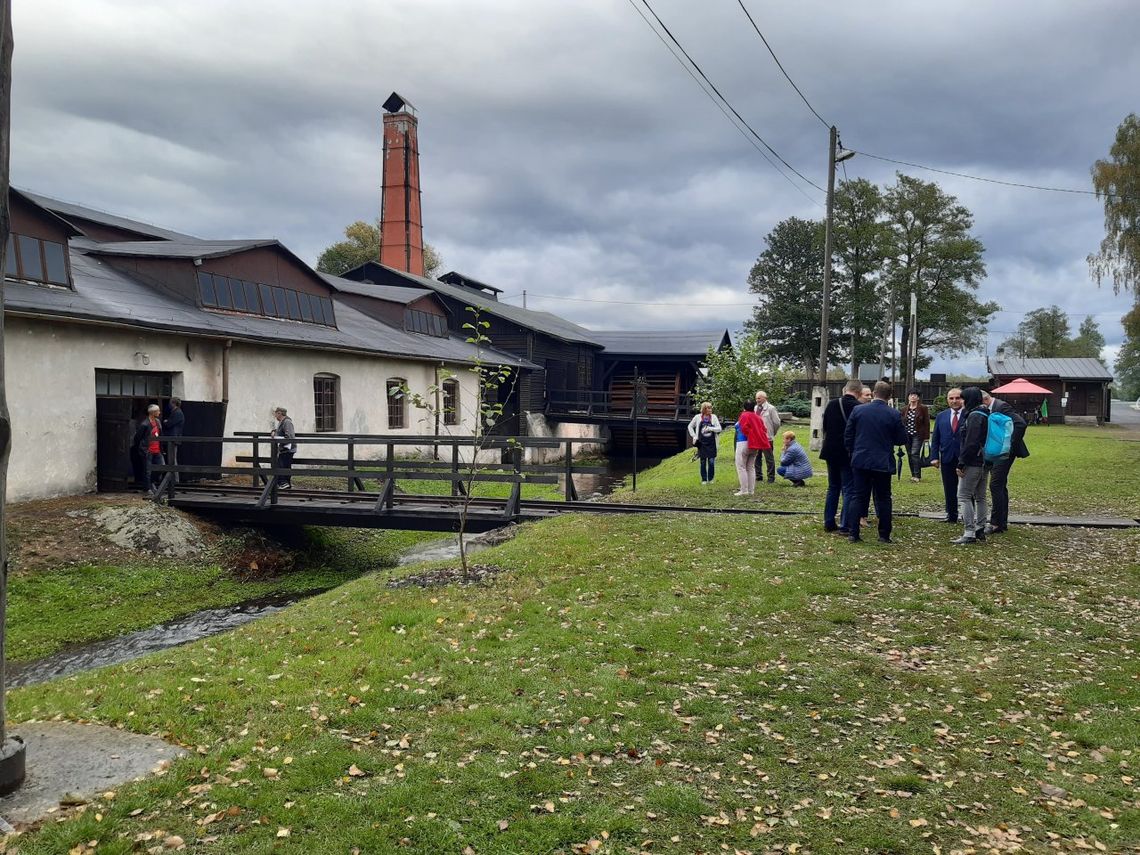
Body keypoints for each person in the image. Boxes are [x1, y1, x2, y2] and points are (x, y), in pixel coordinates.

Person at [844, 381, 908, 543]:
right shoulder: (893, 414)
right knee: (884, 498)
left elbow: (848, 435)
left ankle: (853, 533)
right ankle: (884, 535)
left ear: (873, 393)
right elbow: (901, 438)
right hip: (882, 461)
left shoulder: (858, 410)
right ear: (889, 396)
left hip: (860, 459)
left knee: (858, 496)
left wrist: (854, 452)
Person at [980, 390, 1029, 534]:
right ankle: (1002, 522)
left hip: (1004, 452)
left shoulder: (1002, 407)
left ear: (985, 400)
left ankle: (996, 523)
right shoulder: (991, 408)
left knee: (995, 484)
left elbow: (1020, 424)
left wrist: (1008, 445)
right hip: (995, 451)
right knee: (1000, 485)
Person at [820, 379, 862, 532]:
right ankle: (846, 524)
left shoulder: (832, 404)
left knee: (833, 487)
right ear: (858, 392)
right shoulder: (859, 408)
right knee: (849, 488)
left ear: (846, 389)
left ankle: (829, 521)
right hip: (847, 452)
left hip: (830, 450)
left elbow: (824, 426)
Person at [952, 387, 991, 545]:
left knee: (964, 496)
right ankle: (980, 527)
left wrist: (962, 463)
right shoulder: (985, 413)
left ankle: (969, 531)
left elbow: (971, 442)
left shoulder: (974, 416)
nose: (960, 401)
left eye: (962, 398)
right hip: (984, 461)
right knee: (980, 496)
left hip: (973, 462)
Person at [928, 387, 964, 524]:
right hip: (947, 456)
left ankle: (969, 514)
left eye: (957, 398)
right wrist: (934, 456)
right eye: (951, 398)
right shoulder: (941, 416)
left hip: (964, 458)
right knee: (949, 487)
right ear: (947, 400)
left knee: (967, 489)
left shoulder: (969, 414)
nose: (954, 401)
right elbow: (935, 438)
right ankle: (951, 514)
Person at [733, 400, 769, 497]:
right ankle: (751, 490)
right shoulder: (758, 417)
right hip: (755, 444)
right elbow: (764, 429)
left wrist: (750, 434)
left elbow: (743, 428)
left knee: (741, 467)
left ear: (744, 407)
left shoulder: (744, 415)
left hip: (743, 442)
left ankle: (744, 490)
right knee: (750, 467)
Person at [687, 402, 723, 484]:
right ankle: (704, 479)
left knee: (711, 462)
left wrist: (710, 428)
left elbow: (719, 429)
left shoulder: (714, 417)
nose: (710, 410)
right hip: (702, 443)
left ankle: (710, 479)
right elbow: (690, 426)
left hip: (712, 443)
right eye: (708, 408)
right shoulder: (697, 417)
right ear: (704, 409)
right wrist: (694, 436)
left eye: (711, 408)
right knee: (702, 462)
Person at [901, 391, 931, 482]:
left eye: (915, 395)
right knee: (910, 454)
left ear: (918, 398)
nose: (913, 397)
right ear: (908, 397)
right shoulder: (904, 409)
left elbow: (927, 423)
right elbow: (902, 422)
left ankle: (917, 475)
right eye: (911, 395)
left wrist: (926, 437)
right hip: (907, 435)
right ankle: (913, 474)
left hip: (918, 434)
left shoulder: (923, 408)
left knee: (915, 453)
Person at [753, 391, 781, 484]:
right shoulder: (755, 408)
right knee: (757, 457)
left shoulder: (771, 408)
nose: (757, 400)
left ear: (765, 398)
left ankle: (771, 477)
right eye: (756, 398)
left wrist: (772, 433)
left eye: (759, 398)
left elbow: (777, 423)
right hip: (757, 437)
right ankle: (758, 476)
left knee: (769, 458)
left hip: (767, 437)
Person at [139, 403, 164, 496]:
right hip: (148, 450)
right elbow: (138, 437)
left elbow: (161, 434)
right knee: (147, 470)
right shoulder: (144, 424)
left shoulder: (158, 421)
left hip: (157, 449)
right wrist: (144, 448)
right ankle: (147, 488)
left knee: (161, 466)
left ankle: (152, 482)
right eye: (158, 411)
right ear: (153, 412)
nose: (159, 412)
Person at [272, 406, 297, 489]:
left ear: (279, 413)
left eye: (276, 413)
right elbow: (280, 431)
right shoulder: (282, 422)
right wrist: (274, 432)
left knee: (282, 465)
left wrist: (277, 438)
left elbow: (289, 436)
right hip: (284, 448)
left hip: (288, 448)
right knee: (284, 465)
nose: (275, 415)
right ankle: (285, 483)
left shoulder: (287, 422)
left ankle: (284, 482)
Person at [163, 397, 185, 481]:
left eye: (170, 403)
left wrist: (166, 421)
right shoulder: (176, 412)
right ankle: (173, 479)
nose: (169, 405)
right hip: (173, 438)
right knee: (171, 458)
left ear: (173, 403)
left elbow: (169, 424)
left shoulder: (177, 413)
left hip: (173, 438)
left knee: (172, 459)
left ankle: (175, 480)